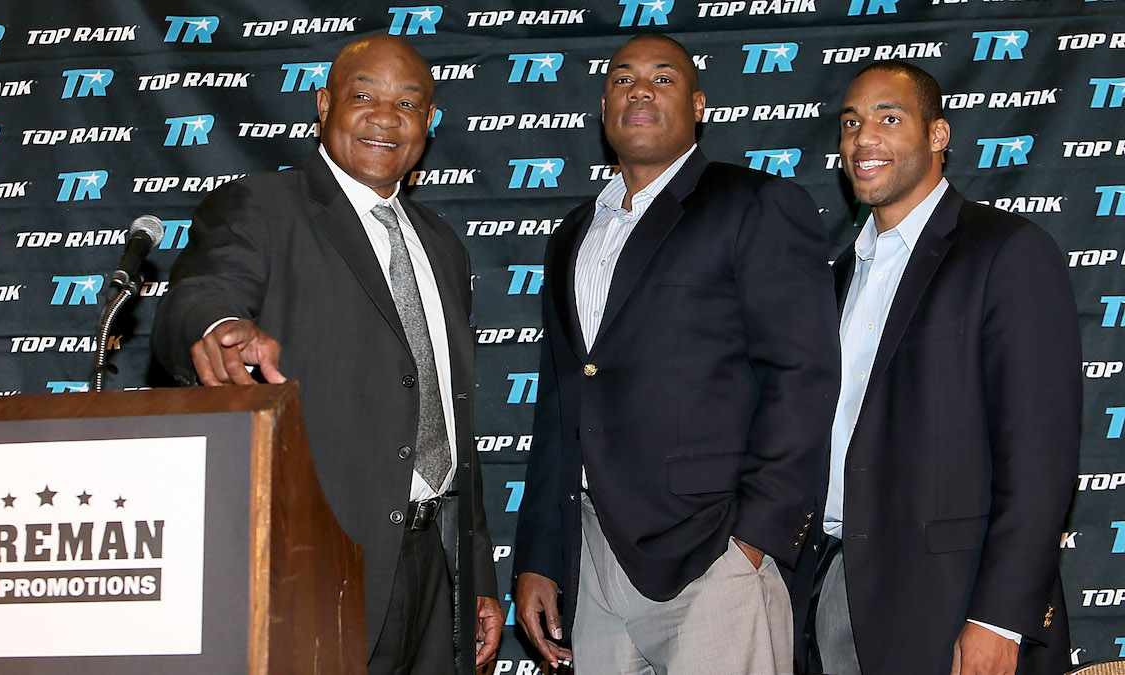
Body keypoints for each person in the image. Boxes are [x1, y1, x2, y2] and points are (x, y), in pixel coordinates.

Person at [150, 34, 503, 674]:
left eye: (408, 103)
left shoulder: (444, 246)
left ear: (430, 121)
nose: (385, 117)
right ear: (324, 104)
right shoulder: (262, 205)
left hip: (437, 561)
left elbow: (451, 414)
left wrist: (476, 569)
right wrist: (220, 325)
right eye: (364, 96)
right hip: (315, 554)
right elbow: (200, 293)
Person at [512, 33, 840, 674]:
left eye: (663, 78)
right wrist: (541, 555)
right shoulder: (574, 234)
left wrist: (756, 540)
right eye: (622, 77)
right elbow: (560, 404)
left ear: (699, 105)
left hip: (712, 554)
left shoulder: (754, 204)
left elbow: (801, 376)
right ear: (603, 104)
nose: (639, 88)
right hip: (591, 558)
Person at [792, 61, 1080, 675]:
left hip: (953, 598)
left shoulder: (1006, 251)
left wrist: (999, 618)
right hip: (831, 585)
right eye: (850, 123)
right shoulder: (835, 277)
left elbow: (1041, 458)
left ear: (937, 135)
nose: (863, 138)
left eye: (888, 119)